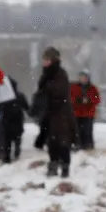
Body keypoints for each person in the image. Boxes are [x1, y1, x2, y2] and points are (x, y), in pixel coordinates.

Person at [33, 47, 76, 179]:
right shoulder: (46, 74)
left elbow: (60, 92)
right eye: (44, 59)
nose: (44, 62)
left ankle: (65, 168)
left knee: (63, 142)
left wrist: (46, 92)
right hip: (50, 113)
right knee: (51, 142)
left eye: (47, 59)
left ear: (53, 60)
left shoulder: (60, 74)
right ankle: (53, 165)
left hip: (61, 114)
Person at [0, 76, 29, 164]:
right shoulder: (20, 95)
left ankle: (7, 157)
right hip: (18, 120)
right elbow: (26, 107)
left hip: (7, 120)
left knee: (7, 140)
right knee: (17, 138)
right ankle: (17, 152)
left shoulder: (4, 97)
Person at [72, 70, 100, 152]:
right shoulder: (74, 87)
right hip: (77, 113)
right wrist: (78, 100)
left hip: (88, 113)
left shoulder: (93, 88)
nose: (83, 79)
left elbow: (97, 99)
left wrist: (89, 100)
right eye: (81, 77)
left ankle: (88, 145)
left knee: (87, 130)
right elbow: (70, 98)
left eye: (84, 77)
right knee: (77, 130)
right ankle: (78, 144)